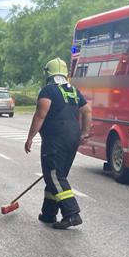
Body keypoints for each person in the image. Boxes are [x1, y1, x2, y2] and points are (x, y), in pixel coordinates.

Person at [23, 58, 91, 229]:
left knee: (54, 176)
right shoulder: (74, 91)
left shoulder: (48, 91)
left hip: (55, 139)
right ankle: (48, 213)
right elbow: (87, 110)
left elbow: (40, 114)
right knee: (56, 176)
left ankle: (72, 214)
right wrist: (84, 132)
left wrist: (30, 138)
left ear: (48, 73)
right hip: (72, 138)